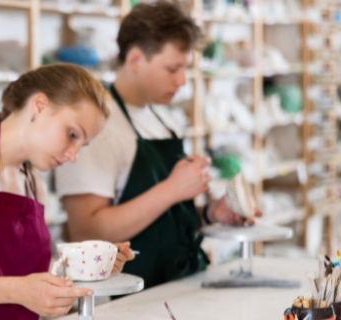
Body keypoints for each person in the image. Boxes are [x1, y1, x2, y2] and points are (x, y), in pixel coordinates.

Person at [55, 2, 262, 290]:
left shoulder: (161, 121)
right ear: (136, 59)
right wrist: (171, 190)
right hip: (129, 300)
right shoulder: (95, 127)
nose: (182, 80)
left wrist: (208, 214)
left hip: (180, 285)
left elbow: (163, 226)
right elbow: (85, 231)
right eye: (173, 68)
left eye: (185, 68)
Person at [0, 63, 136, 319]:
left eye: (82, 146)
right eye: (72, 134)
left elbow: (20, 276)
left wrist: (91, 265)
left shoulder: (34, 185)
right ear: (39, 106)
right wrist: (20, 291)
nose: (73, 156)